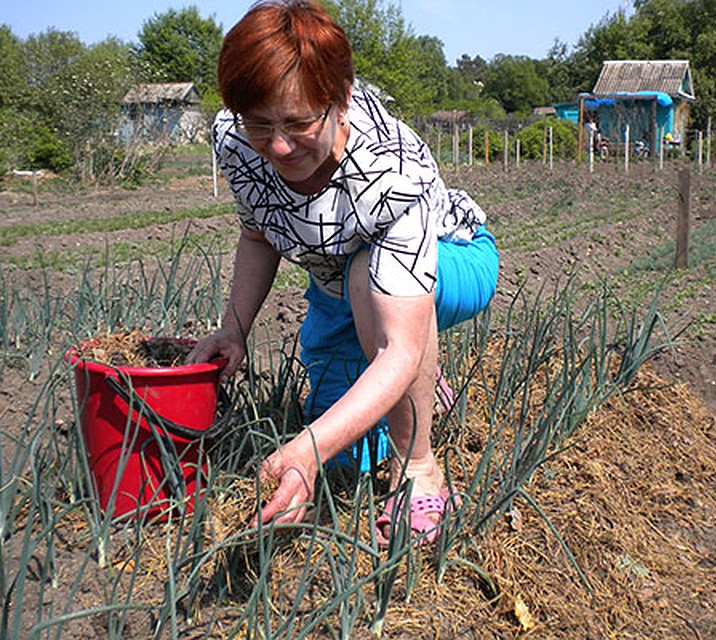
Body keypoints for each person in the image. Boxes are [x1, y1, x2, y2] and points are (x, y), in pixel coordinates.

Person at [186, 0, 498, 546]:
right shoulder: (237, 142)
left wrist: (306, 449)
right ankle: (426, 386)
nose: (278, 146)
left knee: (373, 294)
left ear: (341, 99)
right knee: (348, 453)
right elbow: (259, 232)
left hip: (453, 258)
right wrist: (232, 329)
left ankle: (420, 469)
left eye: (299, 122)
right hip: (339, 286)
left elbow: (398, 348)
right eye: (261, 124)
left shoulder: (394, 168)